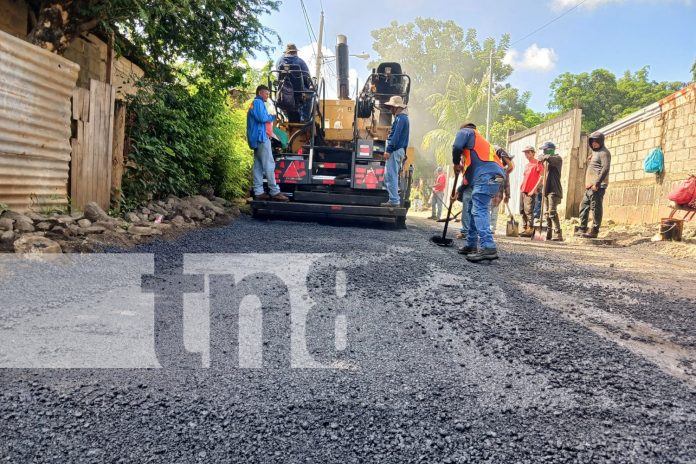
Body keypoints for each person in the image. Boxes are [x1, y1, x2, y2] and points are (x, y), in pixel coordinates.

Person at [453, 123, 506, 262]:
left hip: (487, 174)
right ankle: (471, 245)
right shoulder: (478, 148)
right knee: (472, 208)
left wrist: (455, 163)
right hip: (497, 176)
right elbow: (468, 180)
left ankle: (488, 246)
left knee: (479, 209)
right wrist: (459, 191)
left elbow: (456, 147)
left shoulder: (467, 131)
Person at [247, 85, 288, 202]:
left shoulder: (255, 104)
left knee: (258, 166)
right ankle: (275, 192)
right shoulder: (258, 102)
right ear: (260, 93)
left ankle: (258, 192)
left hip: (256, 138)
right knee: (269, 165)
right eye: (266, 94)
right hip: (261, 138)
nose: (268, 96)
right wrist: (273, 117)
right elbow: (262, 118)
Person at [577, 131, 612, 238]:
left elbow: (605, 169)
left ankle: (594, 231)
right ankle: (582, 228)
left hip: (597, 186)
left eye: (596, 142)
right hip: (590, 186)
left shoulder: (604, 153)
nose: (594, 144)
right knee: (584, 206)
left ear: (601, 142)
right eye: (592, 141)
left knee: (595, 208)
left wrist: (597, 183)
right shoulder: (595, 153)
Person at [381, 95, 410, 207]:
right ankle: (393, 199)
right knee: (389, 175)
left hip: (395, 150)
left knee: (391, 175)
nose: (390, 110)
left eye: (391, 107)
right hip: (399, 150)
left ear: (396, 107)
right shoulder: (403, 119)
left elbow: (396, 136)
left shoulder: (401, 119)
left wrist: (388, 150)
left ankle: (394, 201)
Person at [276, 43, 312, 122]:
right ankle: (305, 119)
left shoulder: (279, 61)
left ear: (286, 52)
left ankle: (285, 117)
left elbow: (278, 78)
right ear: (295, 52)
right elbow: (307, 78)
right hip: (298, 93)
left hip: (282, 93)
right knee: (311, 94)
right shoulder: (300, 62)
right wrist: (310, 86)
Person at [537, 141, 563, 241]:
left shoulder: (557, 159)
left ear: (551, 150)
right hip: (547, 190)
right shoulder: (547, 162)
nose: (543, 152)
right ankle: (548, 233)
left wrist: (543, 157)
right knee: (547, 214)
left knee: (552, 212)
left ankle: (558, 234)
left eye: (545, 150)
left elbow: (549, 158)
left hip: (554, 190)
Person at [518, 146, 544, 237]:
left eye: (528, 152)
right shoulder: (527, 165)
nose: (526, 154)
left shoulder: (538, 163)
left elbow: (541, 177)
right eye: (525, 153)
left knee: (528, 210)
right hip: (523, 190)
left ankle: (530, 229)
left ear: (533, 153)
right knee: (522, 210)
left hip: (531, 191)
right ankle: (524, 228)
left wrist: (534, 189)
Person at [489, 147, 514, 233]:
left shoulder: (496, 169)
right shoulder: (503, 171)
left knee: (489, 212)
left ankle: (489, 228)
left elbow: (506, 184)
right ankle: (491, 229)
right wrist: (507, 195)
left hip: (491, 196)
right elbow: (506, 185)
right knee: (493, 213)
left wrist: (507, 196)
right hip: (495, 196)